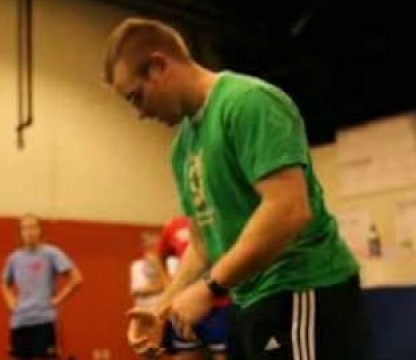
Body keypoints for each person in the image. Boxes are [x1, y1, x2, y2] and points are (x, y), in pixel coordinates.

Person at [104, 17, 361, 360]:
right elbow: (203, 244)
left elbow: (288, 209)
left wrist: (209, 288)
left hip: (301, 288)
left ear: (158, 66)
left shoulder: (248, 102)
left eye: (137, 97)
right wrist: (162, 306)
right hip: (249, 297)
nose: (139, 113)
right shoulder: (182, 147)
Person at [2, 214, 83, 360]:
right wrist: (10, 301)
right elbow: (4, 284)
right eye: (25, 228)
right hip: (19, 321)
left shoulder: (51, 253)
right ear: (20, 232)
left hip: (44, 320)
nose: (29, 232)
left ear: (40, 230)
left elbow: (76, 278)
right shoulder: (13, 258)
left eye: (33, 227)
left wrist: (58, 299)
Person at [157, 216, 231, 360]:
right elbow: (162, 255)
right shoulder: (173, 225)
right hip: (184, 304)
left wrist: (209, 287)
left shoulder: (216, 214)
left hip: (221, 302)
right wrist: (167, 292)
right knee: (185, 352)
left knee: (222, 353)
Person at [130, 232, 167, 309]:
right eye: (148, 246)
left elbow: (170, 287)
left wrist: (158, 266)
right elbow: (138, 291)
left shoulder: (170, 263)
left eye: (153, 246)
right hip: (143, 311)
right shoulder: (137, 265)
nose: (150, 250)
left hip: (163, 312)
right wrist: (159, 287)